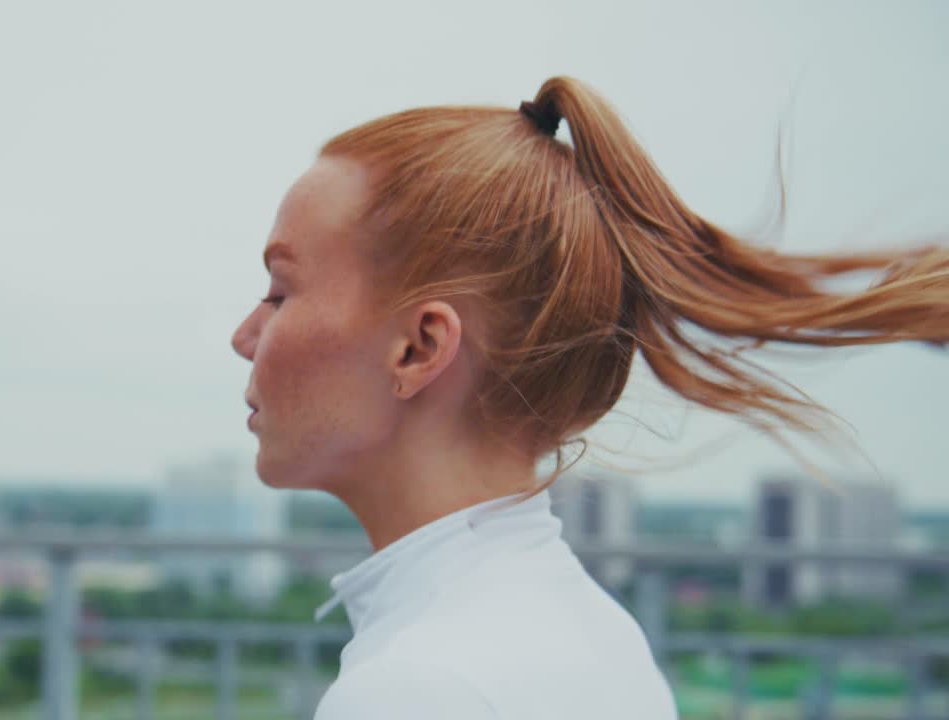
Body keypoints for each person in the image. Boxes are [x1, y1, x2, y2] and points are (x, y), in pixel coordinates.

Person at [229, 75, 947, 719]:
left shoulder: (413, 689)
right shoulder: (597, 633)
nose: (245, 336)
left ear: (418, 348)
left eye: (279, 292)